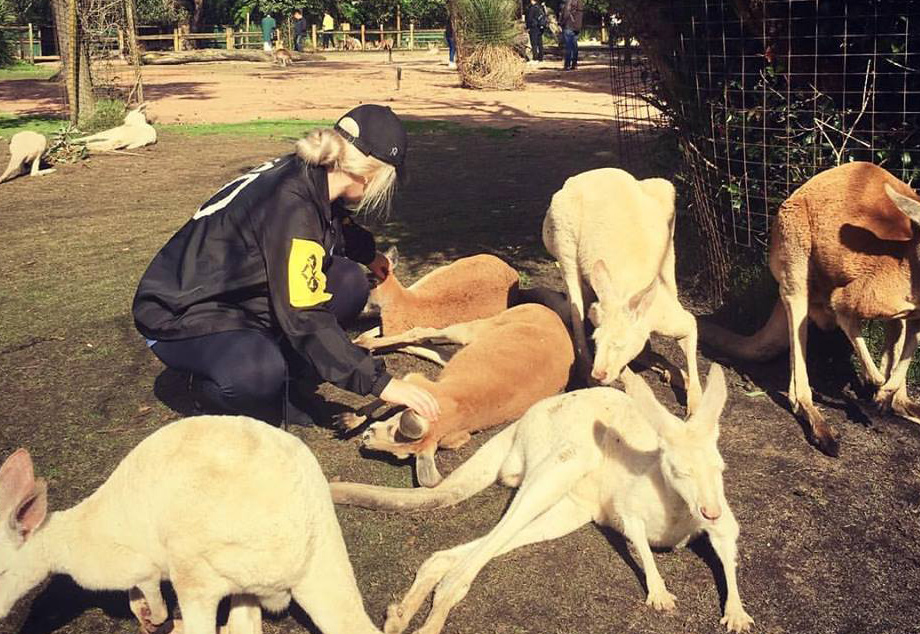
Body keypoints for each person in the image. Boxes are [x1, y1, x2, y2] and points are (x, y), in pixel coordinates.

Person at [132, 105, 440, 428]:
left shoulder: (310, 175)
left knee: (349, 281)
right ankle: (210, 391)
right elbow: (304, 314)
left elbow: (334, 225)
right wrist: (381, 383)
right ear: (367, 173)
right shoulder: (292, 206)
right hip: (178, 312)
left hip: (234, 293)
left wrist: (369, 255)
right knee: (258, 372)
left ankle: (288, 377)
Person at [560, 0, 583, 70]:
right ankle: (574, 64)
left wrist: (561, 23)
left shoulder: (569, 1)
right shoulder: (580, 2)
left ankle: (567, 65)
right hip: (577, 26)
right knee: (574, 46)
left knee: (568, 46)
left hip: (569, 25)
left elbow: (566, 14)